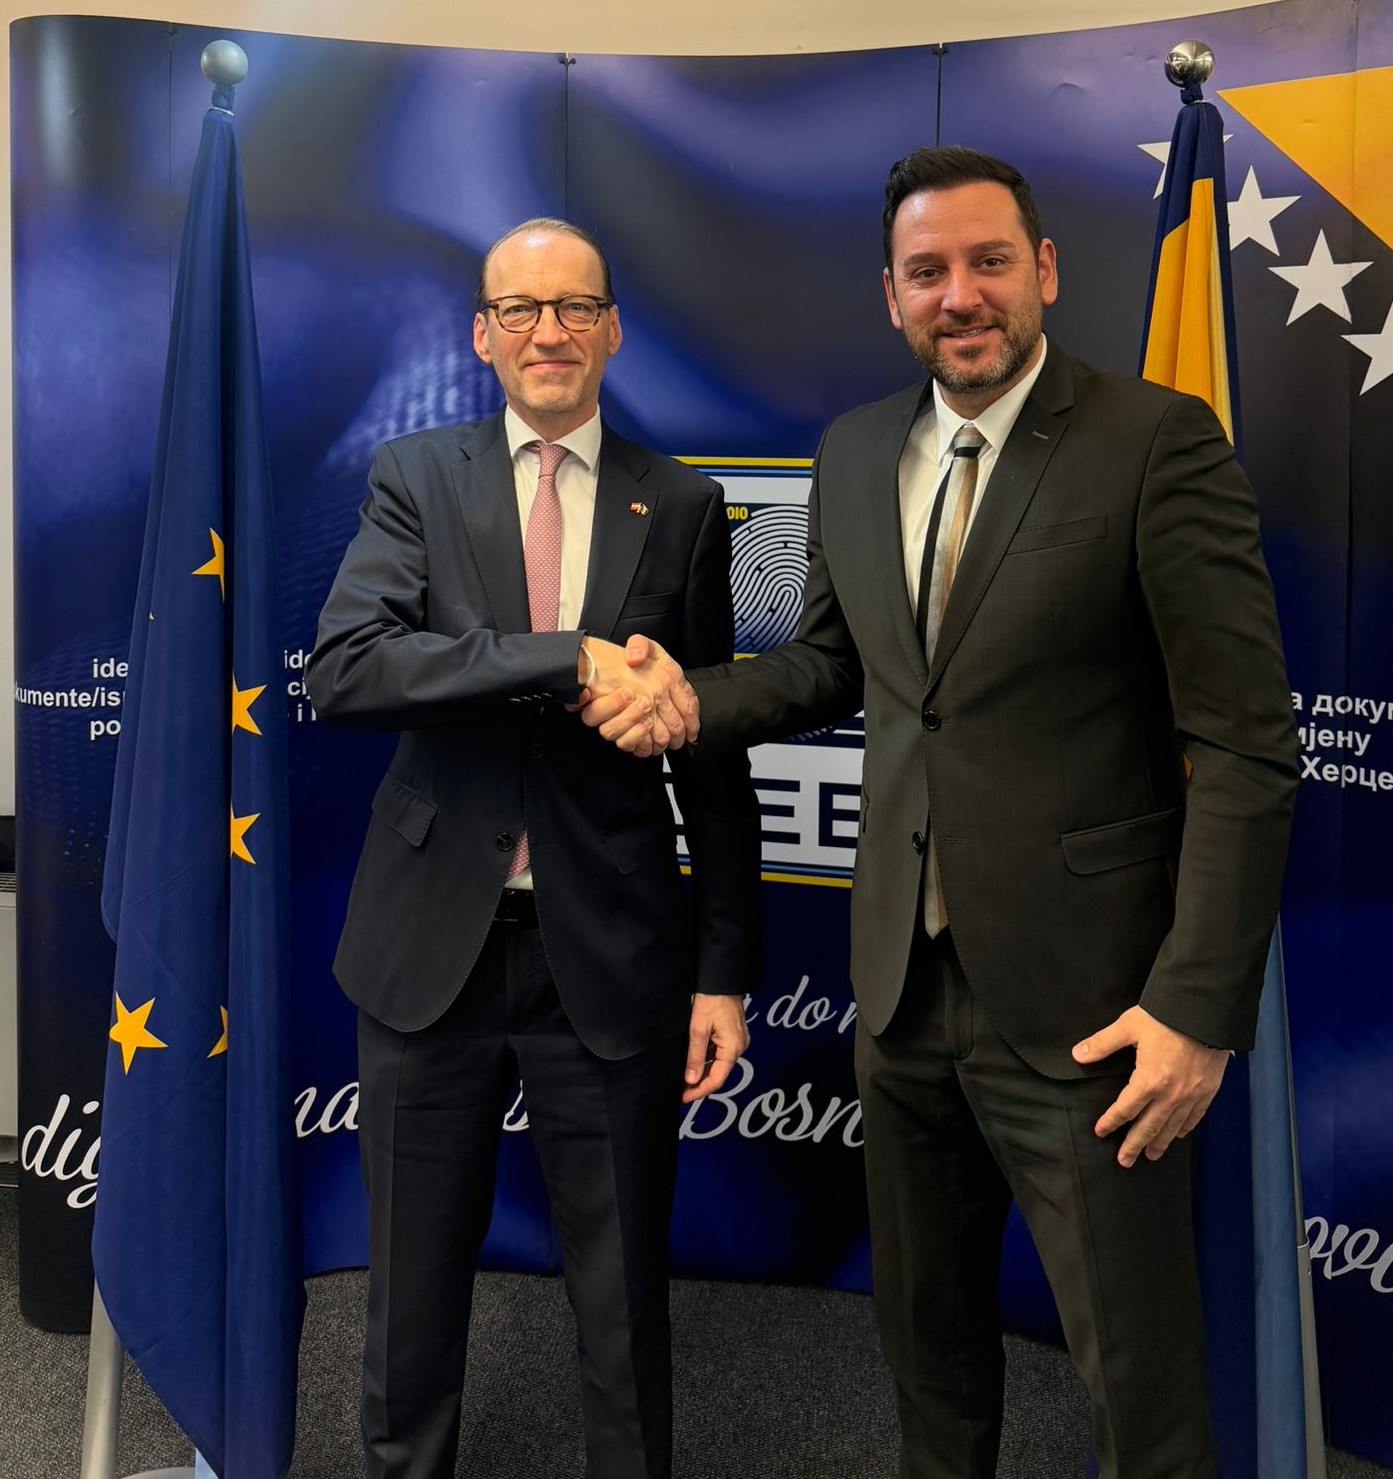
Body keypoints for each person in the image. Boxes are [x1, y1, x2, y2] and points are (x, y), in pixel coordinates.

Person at [585, 147, 1298, 1476]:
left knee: (1138, 1381)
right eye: (927, 272)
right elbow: (830, 666)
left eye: (986, 262)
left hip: (1094, 1008)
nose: (958, 295)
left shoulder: (1154, 442)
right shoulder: (858, 450)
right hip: (900, 997)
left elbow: (1245, 745)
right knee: (928, 1351)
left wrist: (1197, 1006)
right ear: (890, 294)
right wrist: (688, 698)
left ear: (1044, 270)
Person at [307, 217, 760, 1479]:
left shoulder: (682, 504)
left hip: (608, 953)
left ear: (611, 330)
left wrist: (722, 972)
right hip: (428, 949)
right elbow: (349, 670)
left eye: (573, 308)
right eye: (519, 309)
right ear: (481, 335)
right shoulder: (414, 473)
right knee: (407, 1299)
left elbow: (709, 750)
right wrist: (564, 660)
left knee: (621, 1304)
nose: (546, 332)